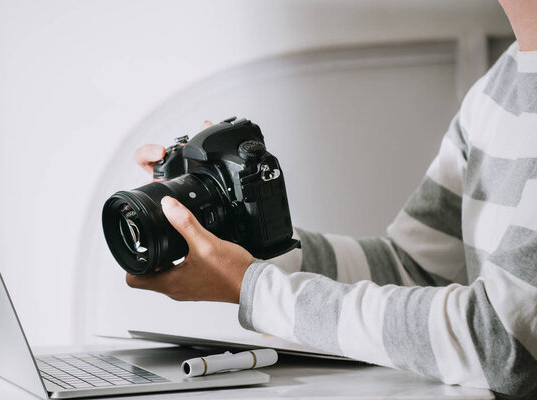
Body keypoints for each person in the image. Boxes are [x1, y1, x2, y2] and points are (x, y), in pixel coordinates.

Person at [125, 1, 537, 398]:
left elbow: (503, 343)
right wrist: (237, 239)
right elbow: (413, 270)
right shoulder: (500, 83)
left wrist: (255, 288)